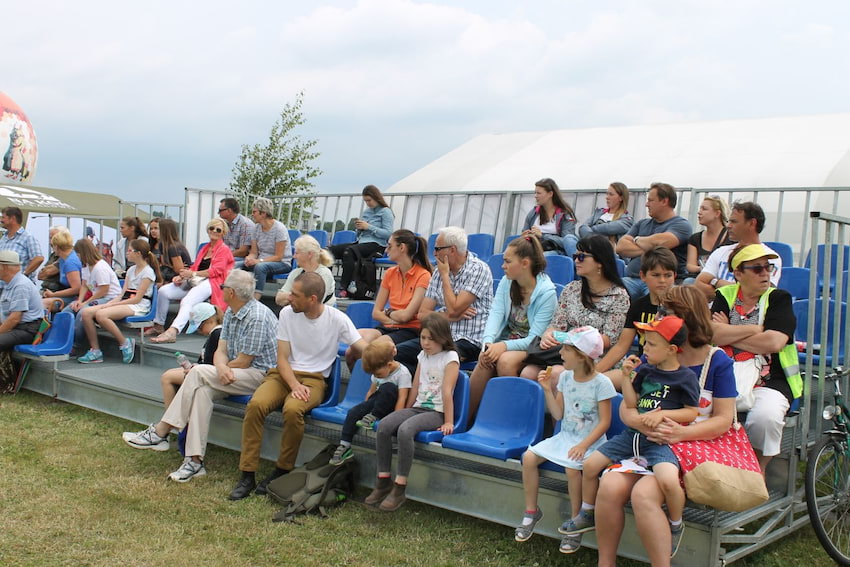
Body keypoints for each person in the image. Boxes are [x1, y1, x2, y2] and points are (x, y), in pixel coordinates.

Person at [595, 285, 737, 567]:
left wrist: (680, 432)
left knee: (644, 494)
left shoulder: (717, 360)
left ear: (688, 318)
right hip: (648, 441)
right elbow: (630, 404)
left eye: (666, 312)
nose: (658, 316)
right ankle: (605, 563)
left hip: (693, 447)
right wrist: (635, 420)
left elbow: (723, 419)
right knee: (609, 486)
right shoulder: (655, 355)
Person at [122, 270, 278, 483]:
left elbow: (245, 362)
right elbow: (221, 350)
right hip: (234, 371)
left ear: (231, 292)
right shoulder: (232, 312)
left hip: (261, 376)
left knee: (196, 372)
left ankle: (161, 431)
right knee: (202, 391)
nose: (220, 289)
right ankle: (194, 461)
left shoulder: (258, 316)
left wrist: (221, 367)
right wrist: (220, 366)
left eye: (223, 287)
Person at [565, 316, 699, 559]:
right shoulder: (645, 370)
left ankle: (676, 523)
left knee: (669, 481)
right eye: (645, 343)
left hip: (659, 442)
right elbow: (631, 403)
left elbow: (692, 411)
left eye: (652, 345)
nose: (645, 348)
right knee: (590, 465)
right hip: (632, 437)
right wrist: (626, 376)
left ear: (671, 350)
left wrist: (663, 415)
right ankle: (587, 511)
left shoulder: (685, 377)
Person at [229, 272, 368, 500]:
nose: (288, 297)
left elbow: (363, 347)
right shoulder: (286, 314)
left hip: (314, 380)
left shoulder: (337, 318)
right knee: (256, 405)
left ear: (312, 299)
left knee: (293, 410)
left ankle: (282, 470)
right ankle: (247, 473)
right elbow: (282, 358)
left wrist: (386, 356)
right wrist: (293, 384)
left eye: (294, 294)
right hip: (282, 375)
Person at [515, 327, 615, 554]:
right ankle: (531, 512)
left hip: (591, 442)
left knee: (572, 469)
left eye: (566, 349)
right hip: (566, 437)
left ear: (581, 355)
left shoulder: (602, 383)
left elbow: (604, 423)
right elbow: (558, 415)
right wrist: (546, 390)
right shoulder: (565, 377)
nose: (561, 353)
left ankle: (576, 522)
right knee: (528, 458)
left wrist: (582, 445)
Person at [710, 243, 799, 472]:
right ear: (738, 273)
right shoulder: (724, 294)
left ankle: (756, 471)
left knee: (765, 418)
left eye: (768, 267)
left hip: (770, 379)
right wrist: (756, 329)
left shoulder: (779, 298)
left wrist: (729, 333)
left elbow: (774, 342)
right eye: (757, 268)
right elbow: (711, 334)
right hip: (726, 375)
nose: (765, 273)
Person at [365, 313, 460, 512]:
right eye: (423, 338)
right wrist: (407, 408)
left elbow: (447, 391)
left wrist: (449, 421)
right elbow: (415, 386)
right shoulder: (422, 355)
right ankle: (383, 481)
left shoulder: (450, 357)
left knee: (405, 430)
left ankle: (399, 487)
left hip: (436, 411)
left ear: (443, 338)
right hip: (417, 407)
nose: (425, 343)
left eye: (430, 339)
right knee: (384, 426)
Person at [469, 235, 556, 418]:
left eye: (508, 261)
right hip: (508, 342)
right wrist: (488, 343)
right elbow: (495, 313)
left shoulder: (547, 294)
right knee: (485, 358)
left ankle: (510, 419)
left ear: (525, 263)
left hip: (533, 348)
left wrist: (502, 346)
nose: (503, 266)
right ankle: (465, 420)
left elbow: (534, 339)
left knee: (505, 360)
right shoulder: (507, 282)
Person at [520, 235, 628, 381]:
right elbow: (557, 325)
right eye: (575, 256)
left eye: (582, 256)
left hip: (595, 356)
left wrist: (573, 339)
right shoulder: (571, 289)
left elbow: (609, 339)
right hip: (566, 351)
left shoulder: (619, 296)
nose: (576, 260)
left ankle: (558, 405)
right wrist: (548, 335)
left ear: (600, 262)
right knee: (528, 373)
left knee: (557, 373)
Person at [394, 226, 493, 374]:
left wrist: (445, 276)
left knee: (436, 357)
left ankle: (426, 392)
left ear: (452, 250)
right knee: (397, 353)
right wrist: (447, 317)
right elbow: (422, 314)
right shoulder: (439, 271)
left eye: (438, 249)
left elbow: (453, 309)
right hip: (440, 336)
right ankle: (415, 392)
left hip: (470, 340)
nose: (434, 253)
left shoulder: (479, 269)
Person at [344, 229, 431, 369]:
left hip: (409, 330)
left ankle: (375, 386)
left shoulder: (423, 275)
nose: (386, 250)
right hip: (388, 326)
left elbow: (407, 316)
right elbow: (376, 312)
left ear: (402, 248)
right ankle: (360, 386)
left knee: (375, 349)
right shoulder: (390, 273)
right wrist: (394, 318)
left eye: (390, 246)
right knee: (352, 348)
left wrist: (389, 312)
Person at [596, 247, 677, 385]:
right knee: (600, 382)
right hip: (644, 367)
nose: (662, 280)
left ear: (675, 276)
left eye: (667, 275)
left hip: (674, 370)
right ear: (643, 276)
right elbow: (622, 346)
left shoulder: (681, 306)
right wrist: (594, 373)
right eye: (656, 275)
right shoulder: (638, 306)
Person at [149, 218, 234, 343]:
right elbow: (195, 266)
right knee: (164, 291)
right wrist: (182, 276)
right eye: (212, 228)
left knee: (188, 300)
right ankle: (158, 325)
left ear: (223, 233)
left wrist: (192, 273)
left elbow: (216, 271)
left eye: (218, 230)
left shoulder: (224, 249)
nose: (214, 231)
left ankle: (173, 331)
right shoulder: (205, 248)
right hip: (197, 279)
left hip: (214, 282)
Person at [329, 340, 412, 466]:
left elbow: (402, 398)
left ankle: (374, 416)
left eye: (377, 374)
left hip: (389, 408)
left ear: (389, 365)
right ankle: (345, 445)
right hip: (377, 404)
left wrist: (395, 418)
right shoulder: (378, 373)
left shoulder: (403, 373)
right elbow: (372, 391)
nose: (376, 377)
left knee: (387, 387)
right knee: (353, 412)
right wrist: (364, 407)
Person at [77, 240, 161, 365]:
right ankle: (95, 350)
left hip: (139, 305)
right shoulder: (131, 270)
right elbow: (122, 294)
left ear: (138, 253)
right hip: (126, 301)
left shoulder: (148, 272)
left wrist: (112, 304)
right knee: (86, 313)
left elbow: (137, 299)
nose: (127, 253)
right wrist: (112, 302)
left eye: (130, 251)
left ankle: (124, 342)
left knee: (101, 315)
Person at [616, 182, 692, 297]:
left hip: (661, 283)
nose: (647, 204)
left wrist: (636, 240)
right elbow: (620, 247)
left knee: (657, 301)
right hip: (632, 279)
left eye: (651, 200)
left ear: (664, 201)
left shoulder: (681, 225)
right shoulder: (642, 223)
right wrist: (653, 248)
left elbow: (660, 242)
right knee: (611, 293)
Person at [695, 201, 782, 300]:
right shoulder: (721, 252)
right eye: (729, 221)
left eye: (734, 221)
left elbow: (761, 293)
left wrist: (716, 282)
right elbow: (699, 285)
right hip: (715, 312)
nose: (728, 226)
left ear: (752, 223)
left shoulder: (770, 257)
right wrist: (736, 292)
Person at [329, 185, 395, 298]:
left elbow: (388, 234)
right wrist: (359, 229)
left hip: (376, 245)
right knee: (328, 251)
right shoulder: (367, 212)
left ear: (376, 198)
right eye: (366, 201)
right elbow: (360, 234)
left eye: (369, 200)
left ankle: (343, 287)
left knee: (349, 251)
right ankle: (327, 284)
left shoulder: (386, 212)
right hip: (361, 243)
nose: (368, 203)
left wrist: (369, 227)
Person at [159, 302, 224, 408]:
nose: (199, 331)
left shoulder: (217, 334)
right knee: (170, 373)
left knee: (167, 377)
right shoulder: (213, 334)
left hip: (210, 375)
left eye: (200, 327)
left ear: (209, 320)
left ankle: (170, 419)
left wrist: (197, 368)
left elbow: (214, 363)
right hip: (204, 371)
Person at [63, 239, 122, 349]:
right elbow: (85, 285)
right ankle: (64, 339)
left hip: (109, 298)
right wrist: (79, 301)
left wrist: (85, 302)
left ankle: (76, 344)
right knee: (68, 310)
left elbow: (104, 290)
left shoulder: (100, 268)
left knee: (82, 312)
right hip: (98, 297)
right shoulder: (86, 266)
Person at [241, 197, 292, 298]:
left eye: (254, 211)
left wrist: (258, 261)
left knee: (260, 267)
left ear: (263, 213)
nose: (252, 214)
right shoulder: (256, 228)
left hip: (281, 263)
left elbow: (278, 256)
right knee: (236, 264)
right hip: (262, 261)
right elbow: (254, 253)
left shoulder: (279, 229)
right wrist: (249, 258)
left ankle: (256, 298)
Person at [0, 250, 45, 352]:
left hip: (26, 330)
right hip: (18, 328)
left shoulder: (21, 285)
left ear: (4, 267)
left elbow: (15, 319)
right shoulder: (10, 284)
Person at [521, 177, 579, 256]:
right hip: (534, 248)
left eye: (539, 193)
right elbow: (524, 234)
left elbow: (566, 242)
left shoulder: (565, 215)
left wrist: (543, 235)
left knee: (543, 257)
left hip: (556, 251)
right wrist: (525, 236)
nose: (535, 196)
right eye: (535, 193)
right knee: (509, 255)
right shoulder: (533, 213)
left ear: (550, 194)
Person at [275, 234, 336, 308]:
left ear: (309, 254)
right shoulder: (295, 273)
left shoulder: (325, 274)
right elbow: (278, 299)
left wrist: (290, 296)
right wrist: (296, 296)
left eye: (297, 253)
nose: (294, 256)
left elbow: (314, 303)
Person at [685, 195, 732, 280]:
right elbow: (690, 265)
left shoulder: (731, 237)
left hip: (723, 279)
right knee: (688, 281)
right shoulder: (695, 238)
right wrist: (706, 269)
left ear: (717, 213)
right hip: (701, 278)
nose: (699, 212)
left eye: (704, 209)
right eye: (700, 208)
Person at [40, 229, 82, 313]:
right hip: (65, 295)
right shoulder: (63, 259)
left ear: (57, 247)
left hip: (73, 298)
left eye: (53, 246)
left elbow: (76, 289)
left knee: (40, 304)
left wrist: (53, 295)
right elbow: (42, 274)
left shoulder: (70, 262)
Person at [0, 206, 43, 284]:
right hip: (4, 286)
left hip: (19, 286)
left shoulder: (28, 237)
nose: (1, 220)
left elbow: (39, 258)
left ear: (12, 218)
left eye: (3, 217)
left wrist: (23, 275)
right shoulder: (4, 238)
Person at [218, 197, 254, 268]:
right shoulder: (223, 223)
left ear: (229, 211)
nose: (218, 213)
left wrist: (223, 255)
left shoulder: (245, 224)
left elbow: (243, 251)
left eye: (220, 210)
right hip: (228, 256)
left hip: (242, 258)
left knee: (224, 263)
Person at [155, 218, 192, 284]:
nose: (154, 231)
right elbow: (164, 264)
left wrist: (169, 266)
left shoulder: (174, 247)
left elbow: (179, 270)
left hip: (182, 278)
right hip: (169, 275)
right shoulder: (162, 244)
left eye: (157, 229)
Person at [37, 226, 70, 294]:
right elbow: (40, 276)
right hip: (44, 291)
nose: (50, 242)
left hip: (57, 293)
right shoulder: (53, 255)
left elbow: (47, 272)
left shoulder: (68, 256)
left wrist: (48, 269)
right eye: (50, 238)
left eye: (54, 238)